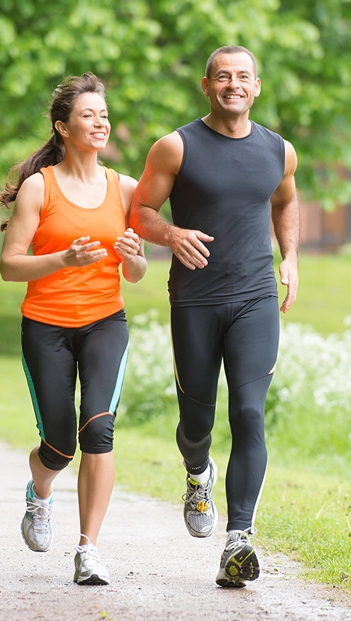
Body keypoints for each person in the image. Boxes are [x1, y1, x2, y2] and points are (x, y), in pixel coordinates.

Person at [129, 45, 299, 588]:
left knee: (250, 412)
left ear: (257, 86)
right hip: (196, 302)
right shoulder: (176, 147)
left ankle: (238, 540)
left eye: (243, 76)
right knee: (197, 421)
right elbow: (141, 211)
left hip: (254, 300)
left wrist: (290, 255)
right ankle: (197, 473)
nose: (233, 84)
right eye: (222, 77)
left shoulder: (278, 150)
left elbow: (285, 201)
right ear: (206, 85)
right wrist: (171, 234)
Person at [0, 72, 147, 586]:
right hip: (46, 327)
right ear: (63, 127)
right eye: (88, 114)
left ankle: (88, 550)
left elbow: (137, 271)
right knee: (59, 444)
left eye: (103, 114)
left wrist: (135, 258)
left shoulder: (124, 188)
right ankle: (40, 493)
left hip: (106, 321)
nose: (100, 122)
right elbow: (10, 266)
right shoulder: (41, 187)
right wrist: (62, 258)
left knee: (98, 430)